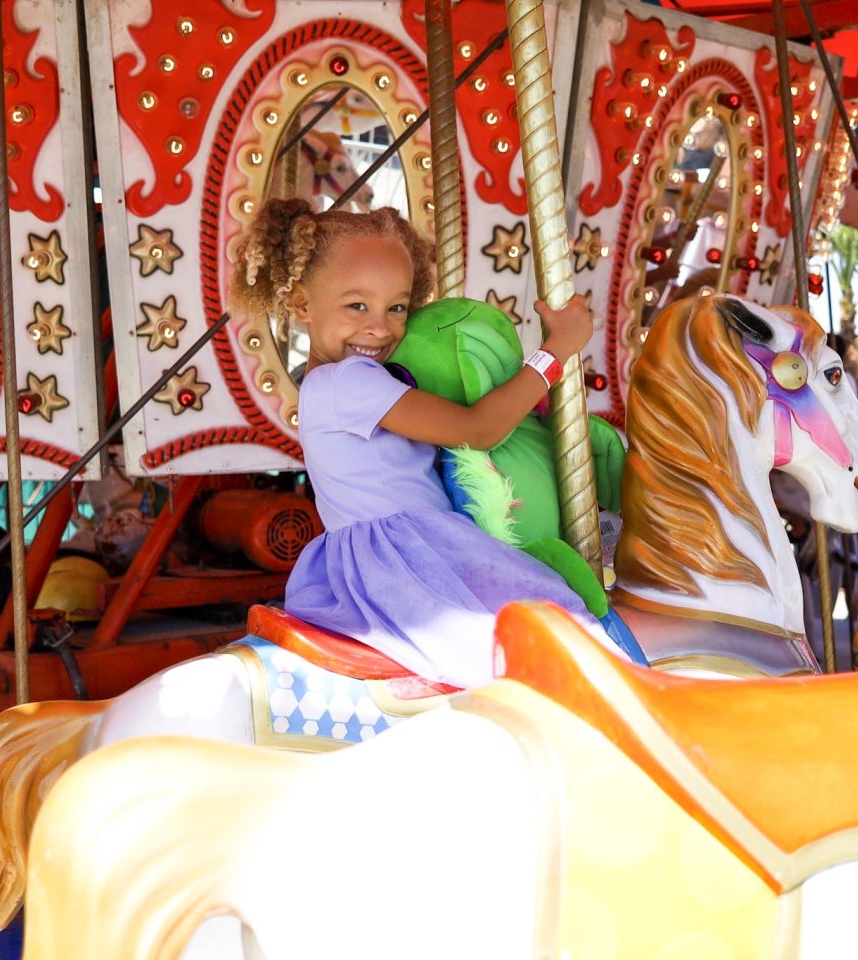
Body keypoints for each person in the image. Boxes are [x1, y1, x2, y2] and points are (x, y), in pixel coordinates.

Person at [230, 199, 615, 687]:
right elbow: (479, 429)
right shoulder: (349, 383)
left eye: (396, 307)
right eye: (357, 306)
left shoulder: (340, 381)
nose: (380, 326)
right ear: (302, 304)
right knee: (552, 638)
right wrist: (556, 351)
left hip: (402, 548)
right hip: (408, 558)